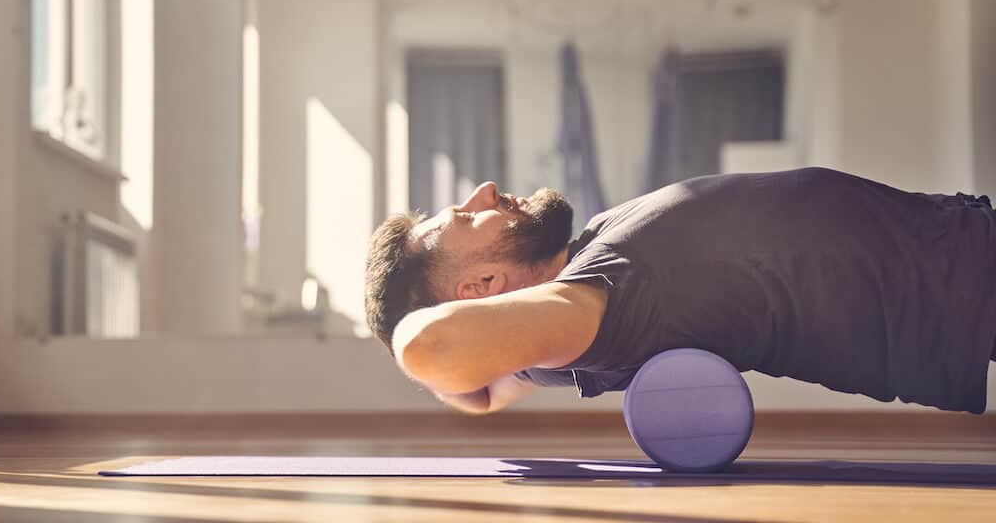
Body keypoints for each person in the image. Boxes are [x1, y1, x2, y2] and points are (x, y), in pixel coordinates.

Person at [363, 168, 996, 415]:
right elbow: (432, 350)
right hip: (967, 284)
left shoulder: (560, 318)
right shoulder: (584, 309)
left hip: (962, 242)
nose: (485, 195)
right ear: (483, 287)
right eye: (466, 220)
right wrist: (405, 336)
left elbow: (481, 394)